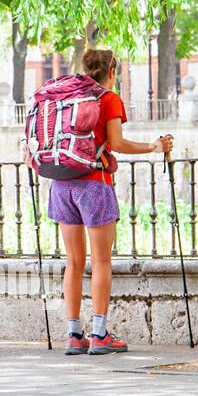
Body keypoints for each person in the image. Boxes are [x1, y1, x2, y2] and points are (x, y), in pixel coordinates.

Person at [47, 48, 174, 356]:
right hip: (95, 184)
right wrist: (154, 147)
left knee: (74, 262)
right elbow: (116, 143)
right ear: (112, 72)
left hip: (62, 183)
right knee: (101, 260)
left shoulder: (66, 97)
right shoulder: (109, 99)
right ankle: (100, 333)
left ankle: (74, 334)